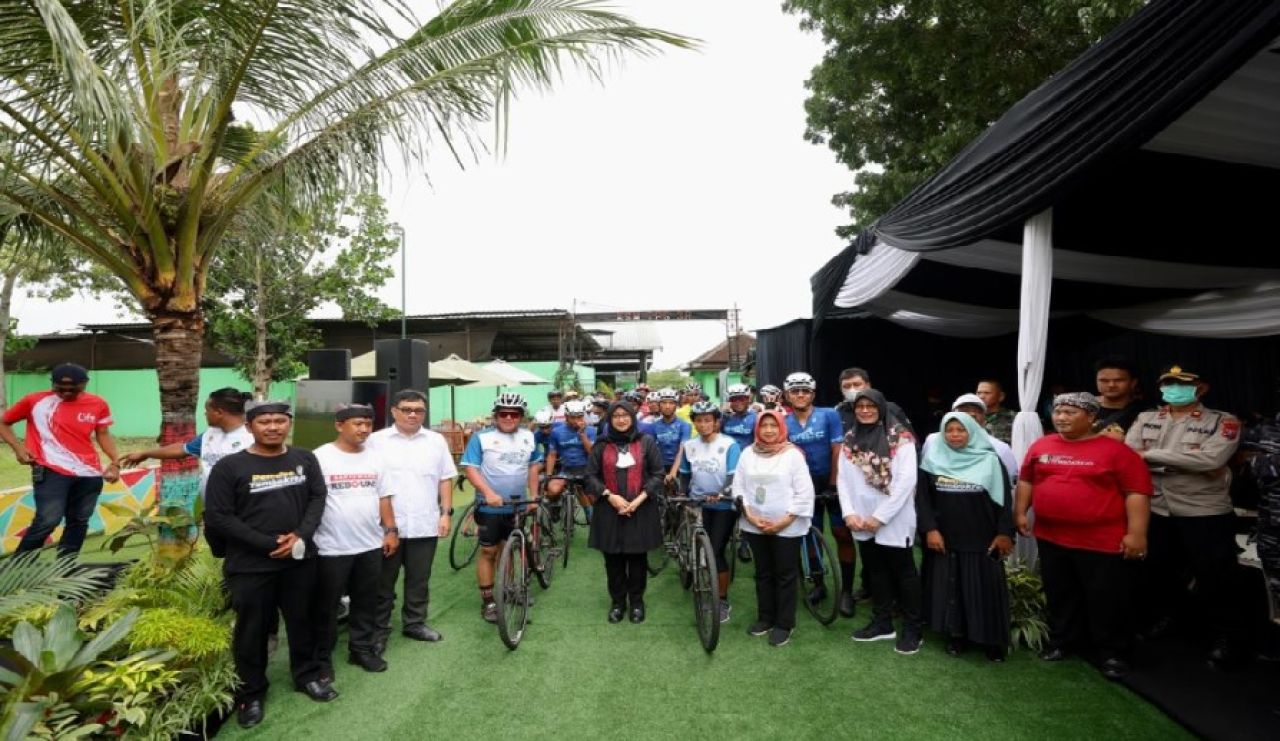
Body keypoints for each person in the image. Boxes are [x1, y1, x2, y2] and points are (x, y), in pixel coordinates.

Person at [203, 401, 332, 729]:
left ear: (288, 423)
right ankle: (251, 693)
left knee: (303, 622)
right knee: (252, 630)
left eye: (279, 421)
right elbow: (218, 516)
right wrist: (268, 543)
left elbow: (318, 497)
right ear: (249, 427)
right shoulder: (230, 467)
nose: (272, 427)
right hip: (250, 565)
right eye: (264, 422)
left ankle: (307, 676)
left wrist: (300, 535)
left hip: (299, 560)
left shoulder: (305, 458)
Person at [1017, 392, 1152, 680]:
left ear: (1092, 417)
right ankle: (1063, 643)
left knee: (1107, 598)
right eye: (1058, 412)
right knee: (1061, 594)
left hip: (1101, 541)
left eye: (1070, 412)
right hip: (1052, 537)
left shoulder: (1116, 451)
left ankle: (1112, 653)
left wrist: (1137, 534)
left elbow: (1136, 493)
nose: (1061, 417)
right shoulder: (1042, 445)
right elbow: (1027, 479)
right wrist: (1020, 512)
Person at [1124, 365, 1242, 664]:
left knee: (1214, 575)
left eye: (1181, 383)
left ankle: (1224, 637)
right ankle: (1168, 619)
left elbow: (1212, 458)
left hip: (1203, 509)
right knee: (1158, 570)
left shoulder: (1222, 421)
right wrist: (1186, 461)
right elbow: (1128, 456)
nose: (1174, 388)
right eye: (1168, 383)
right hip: (1157, 507)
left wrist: (1150, 456)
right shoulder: (1146, 417)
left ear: (1201, 388)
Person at [918, 412, 1014, 662]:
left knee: (985, 590)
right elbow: (923, 500)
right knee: (951, 589)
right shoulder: (932, 459)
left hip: (982, 539)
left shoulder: (991, 461)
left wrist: (1005, 533)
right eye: (949, 430)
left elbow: (1005, 501)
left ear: (972, 431)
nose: (955, 435)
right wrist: (930, 529)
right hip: (944, 539)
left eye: (961, 430)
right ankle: (957, 636)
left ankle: (992, 641)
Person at [312, 405, 399, 676]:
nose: (363, 429)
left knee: (366, 602)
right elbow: (312, 500)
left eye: (368, 424)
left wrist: (391, 530)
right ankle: (322, 660)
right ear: (339, 425)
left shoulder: (376, 458)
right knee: (325, 608)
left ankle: (360, 650)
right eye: (357, 424)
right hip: (330, 547)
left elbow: (384, 497)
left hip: (370, 544)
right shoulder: (320, 457)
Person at [1, 363, 121, 556]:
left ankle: (66, 569)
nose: (65, 392)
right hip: (50, 469)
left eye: (72, 389)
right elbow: (4, 422)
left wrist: (115, 462)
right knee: (48, 520)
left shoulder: (98, 404)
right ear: (52, 383)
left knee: (79, 520)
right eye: (59, 388)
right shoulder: (35, 401)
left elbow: (103, 433)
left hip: (89, 472)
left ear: (84, 384)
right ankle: (19, 568)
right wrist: (18, 448)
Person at [367, 389, 456, 648]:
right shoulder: (375, 441)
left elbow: (445, 478)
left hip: (424, 522)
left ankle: (414, 623)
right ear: (394, 411)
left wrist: (446, 513)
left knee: (419, 579)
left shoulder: (436, 441)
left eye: (418, 410)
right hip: (385, 527)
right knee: (383, 582)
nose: (413, 415)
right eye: (406, 409)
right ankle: (379, 630)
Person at [838, 389, 922, 654]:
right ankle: (883, 623)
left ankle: (913, 629)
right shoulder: (850, 440)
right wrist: (849, 512)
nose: (864, 410)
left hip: (893, 518)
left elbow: (906, 482)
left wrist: (880, 517)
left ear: (881, 408)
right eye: (860, 406)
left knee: (904, 573)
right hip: (862, 519)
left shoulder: (901, 439)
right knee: (876, 572)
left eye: (870, 406)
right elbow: (843, 479)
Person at [732, 410, 814, 646]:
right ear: (757, 429)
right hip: (755, 525)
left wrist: (783, 522)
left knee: (785, 575)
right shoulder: (748, 453)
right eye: (764, 425)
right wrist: (751, 516)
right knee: (763, 573)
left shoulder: (793, 455)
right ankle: (765, 618)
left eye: (773, 425)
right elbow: (739, 488)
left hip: (786, 527)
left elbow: (804, 492)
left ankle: (784, 623)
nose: (768, 430)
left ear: (781, 428)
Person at [460, 393, 543, 623]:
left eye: (514, 413)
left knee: (511, 549)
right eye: (503, 413)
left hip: (517, 505)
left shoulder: (529, 436)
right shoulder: (481, 437)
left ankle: (508, 590)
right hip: (490, 507)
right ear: (495, 415)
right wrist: (487, 493)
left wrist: (534, 496)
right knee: (489, 552)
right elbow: (471, 469)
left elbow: (534, 467)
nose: (508, 417)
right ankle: (488, 601)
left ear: (521, 416)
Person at [783, 372, 856, 617]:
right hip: (804, 486)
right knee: (809, 535)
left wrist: (834, 485)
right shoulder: (784, 421)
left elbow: (837, 449)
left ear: (813, 394)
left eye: (805, 391)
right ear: (788, 395)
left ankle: (846, 591)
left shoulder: (829, 415)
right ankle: (819, 585)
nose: (800, 395)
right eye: (795, 391)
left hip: (832, 481)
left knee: (841, 533)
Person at [586, 401, 665, 623]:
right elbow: (590, 476)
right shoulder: (601, 445)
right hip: (609, 509)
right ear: (609, 419)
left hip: (641, 509)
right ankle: (618, 602)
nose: (621, 419)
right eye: (616, 416)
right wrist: (610, 496)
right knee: (613, 560)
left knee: (637, 558)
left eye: (625, 415)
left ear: (632, 418)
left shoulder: (646, 442)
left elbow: (658, 474)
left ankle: (637, 602)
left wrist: (638, 499)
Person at [119, 387, 254, 495]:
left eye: (207, 410)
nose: (205, 414)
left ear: (219, 412)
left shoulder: (252, 436)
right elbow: (182, 449)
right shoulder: (210, 434)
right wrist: (145, 454)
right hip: (214, 511)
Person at [677, 401, 741, 623]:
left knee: (716, 551)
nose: (703, 424)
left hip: (723, 505)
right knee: (699, 546)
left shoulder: (730, 445)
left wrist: (722, 492)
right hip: (698, 503)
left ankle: (722, 599)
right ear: (694, 422)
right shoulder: (690, 446)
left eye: (708, 420)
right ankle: (695, 569)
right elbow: (685, 474)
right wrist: (683, 494)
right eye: (699, 420)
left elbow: (734, 477)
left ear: (716, 422)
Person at [921, 394, 1019, 486]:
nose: (969, 415)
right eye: (963, 411)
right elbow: (925, 475)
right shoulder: (933, 440)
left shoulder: (1000, 448)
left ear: (984, 420)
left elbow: (1007, 483)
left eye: (976, 412)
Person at [545, 399, 597, 517]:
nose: (576, 421)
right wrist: (548, 475)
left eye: (579, 417)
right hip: (566, 470)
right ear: (566, 416)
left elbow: (592, 452)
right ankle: (555, 508)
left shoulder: (591, 430)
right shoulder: (557, 432)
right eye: (573, 417)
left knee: (592, 497)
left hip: (586, 469)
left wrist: (582, 434)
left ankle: (589, 514)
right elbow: (552, 454)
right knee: (552, 490)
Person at [834, 367, 913, 437]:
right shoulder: (837, 412)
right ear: (841, 389)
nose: (852, 389)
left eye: (857, 384)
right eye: (846, 386)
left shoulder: (890, 409)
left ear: (868, 385)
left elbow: (911, 439)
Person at [1094, 357, 1144, 439]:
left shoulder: (1147, 414)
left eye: (1118, 380)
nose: (1111, 385)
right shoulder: (1084, 410)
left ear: (1133, 383)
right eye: (1104, 381)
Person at [651, 388, 693, 481]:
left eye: (671, 403)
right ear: (659, 405)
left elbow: (682, 450)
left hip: (680, 467)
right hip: (659, 468)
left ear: (676, 405)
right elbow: (651, 451)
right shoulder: (653, 426)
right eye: (664, 403)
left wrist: (673, 473)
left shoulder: (685, 426)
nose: (667, 406)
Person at [975, 378, 1016, 444]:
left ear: (1001, 396)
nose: (981, 396)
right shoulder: (970, 417)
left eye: (987, 393)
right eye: (979, 393)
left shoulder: (1014, 418)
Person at [721, 384, 758, 451]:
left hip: (747, 457)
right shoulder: (724, 418)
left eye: (742, 399)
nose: (738, 402)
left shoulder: (755, 418)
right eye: (734, 399)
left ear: (748, 399)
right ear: (729, 401)